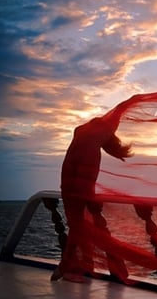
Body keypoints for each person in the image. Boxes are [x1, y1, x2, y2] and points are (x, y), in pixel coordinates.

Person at [51, 102, 134, 283]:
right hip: (81, 167)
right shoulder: (106, 129)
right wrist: (134, 99)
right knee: (78, 222)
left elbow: (119, 109)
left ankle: (70, 266)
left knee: (76, 221)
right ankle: (69, 266)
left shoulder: (84, 129)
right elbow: (120, 109)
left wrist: (131, 100)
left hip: (69, 169)